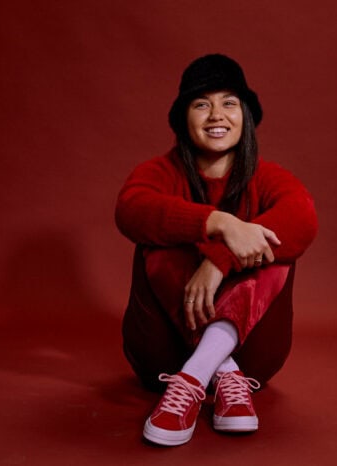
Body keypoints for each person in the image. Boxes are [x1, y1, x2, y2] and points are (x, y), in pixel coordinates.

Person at [115, 54, 318, 446]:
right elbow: (130, 209)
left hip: (252, 358)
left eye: (229, 103)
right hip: (162, 355)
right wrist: (220, 223)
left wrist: (220, 260)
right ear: (183, 118)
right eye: (201, 104)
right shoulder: (162, 172)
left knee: (274, 245)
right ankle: (215, 370)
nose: (216, 115)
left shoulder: (266, 176)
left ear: (245, 115)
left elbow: (304, 218)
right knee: (160, 238)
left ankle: (196, 375)